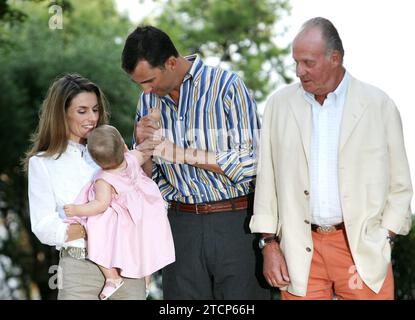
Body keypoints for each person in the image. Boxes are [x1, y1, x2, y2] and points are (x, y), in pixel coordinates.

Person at [249, 17, 413, 300]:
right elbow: (267, 180)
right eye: (296, 62)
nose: (299, 71)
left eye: (308, 63)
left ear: (335, 58)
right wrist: (268, 243)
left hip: (360, 249)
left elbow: (400, 186)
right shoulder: (279, 104)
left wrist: (385, 237)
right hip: (299, 250)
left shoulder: (379, 106)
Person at [121, 26, 269, 299]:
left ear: (171, 63)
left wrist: (181, 153)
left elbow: (251, 161)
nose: (146, 90)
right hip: (179, 227)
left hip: (234, 223)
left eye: (149, 80)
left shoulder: (227, 87)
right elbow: (146, 182)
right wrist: (144, 150)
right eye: (139, 84)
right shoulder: (147, 101)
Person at [23, 74, 146, 299]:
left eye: (96, 109)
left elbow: (139, 202)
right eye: (82, 111)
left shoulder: (115, 153)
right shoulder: (42, 163)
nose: (92, 117)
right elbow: (44, 225)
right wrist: (93, 227)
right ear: (62, 113)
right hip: (79, 268)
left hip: (127, 264)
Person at [63, 125, 175, 300]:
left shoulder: (103, 178)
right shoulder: (131, 158)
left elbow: (100, 205)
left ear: (95, 160)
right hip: (142, 212)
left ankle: (112, 277)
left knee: (95, 233)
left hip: (123, 216)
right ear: (123, 145)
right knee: (141, 244)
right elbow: (144, 152)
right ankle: (145, 277)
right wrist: (153, 139)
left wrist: (76, 209)